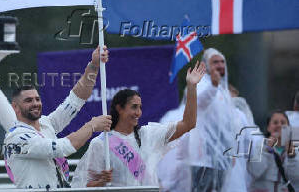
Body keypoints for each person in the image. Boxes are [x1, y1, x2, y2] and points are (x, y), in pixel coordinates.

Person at [71, 60, 206, 187]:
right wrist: (101, 182)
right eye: (134, 107)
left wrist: (192, 87)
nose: (138, 112)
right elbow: (83, 186)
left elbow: (188, 124)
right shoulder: (101, 143)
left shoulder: (150, 134)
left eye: (140, 107)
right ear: (119, 108)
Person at [3, 46, 112, 189]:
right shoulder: (16, 137)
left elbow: (76, 99)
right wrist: (91, 126)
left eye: (37, 99)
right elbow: (62, 147)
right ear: (15, 107)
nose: (35, 103)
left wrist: (94, 65)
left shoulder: (46, 123)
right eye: (28, 100)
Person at [183, 48, 239, 192]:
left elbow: (228, 125)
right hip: (203, 159)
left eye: (222, 62)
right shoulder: (199, 84)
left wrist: (230, 150)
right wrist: (213, 86)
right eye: (215, 62)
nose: (220, 65)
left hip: (220, 158)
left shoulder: (223, 90)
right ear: (205, 65)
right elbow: (199, 102)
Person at [247, 110, 299, 192]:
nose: (279, 125)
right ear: (268, 128)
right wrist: (267, 149)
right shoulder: (260, 145)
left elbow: (296, 178)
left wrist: (292, 156)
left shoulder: (294, 149)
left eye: (283, 123)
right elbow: (254, 172)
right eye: (275, 123)